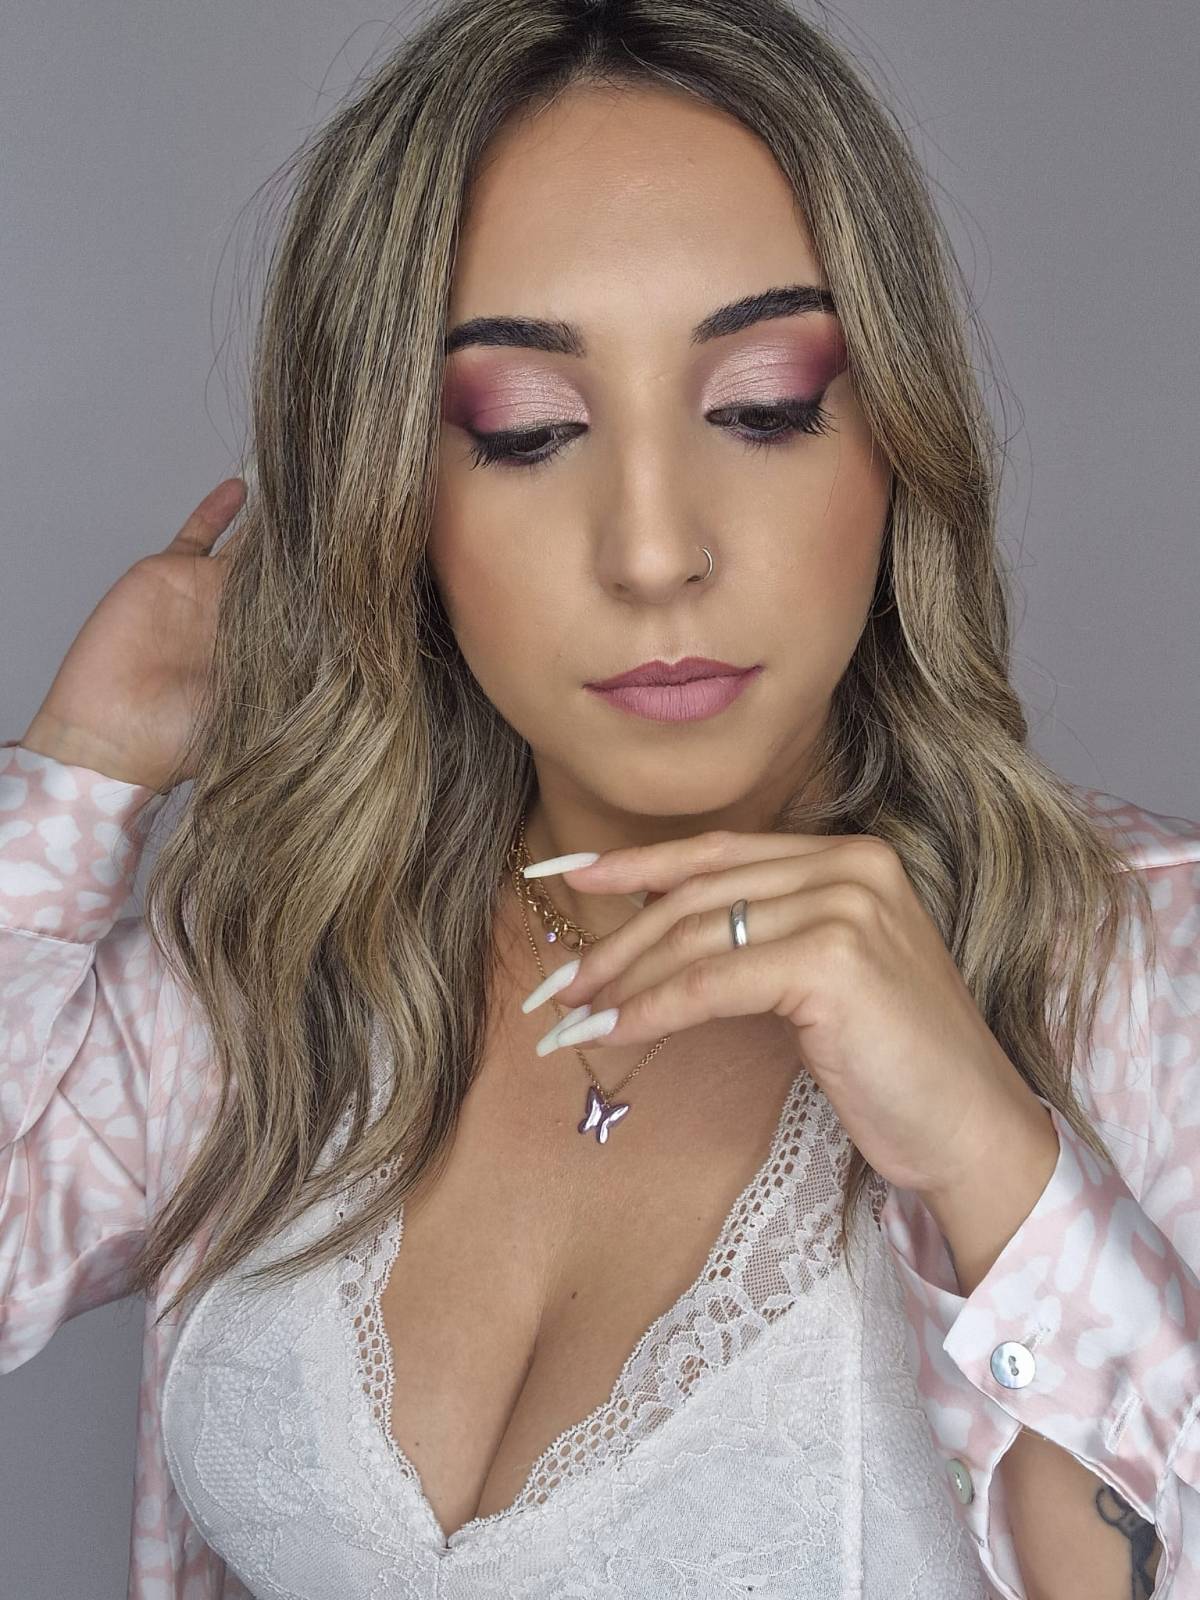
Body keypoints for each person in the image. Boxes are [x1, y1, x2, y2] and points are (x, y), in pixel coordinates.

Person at [2, 0, 1197, 1595]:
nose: (652, 550)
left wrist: (991, 1160)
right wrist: (82, 772)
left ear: (897, 438)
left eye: (762, 406)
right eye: (530, 431)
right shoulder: (298, 952)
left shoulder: (1143, 973)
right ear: (391, 490)